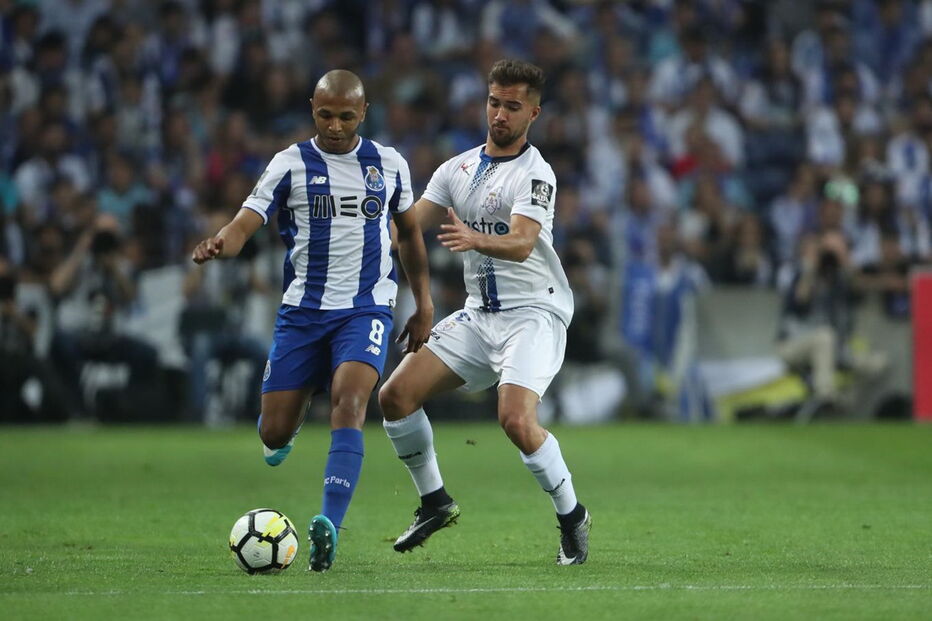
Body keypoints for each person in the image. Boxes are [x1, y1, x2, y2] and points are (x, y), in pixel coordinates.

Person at [191, 70, 433, 572]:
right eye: (326, 114)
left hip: (367, 307)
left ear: (363, 112)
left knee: (350, 403)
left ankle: (329, 525)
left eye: (347, 115)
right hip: (302, 312)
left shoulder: (389, 165)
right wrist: (221, 243)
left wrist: (424, 303)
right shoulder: (290, 164)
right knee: (273, 434)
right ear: (312, 109)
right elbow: (246, 221)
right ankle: (292, 419)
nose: (336, 125)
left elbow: (409, 235)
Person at [378, 59, 591, 566]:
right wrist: (370, 245)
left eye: (512, 106)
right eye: (494, 102)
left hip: (532, 314)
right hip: (479, 316)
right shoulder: (456, 169)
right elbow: (408, 230)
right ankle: (434, 501)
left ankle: (572, 518)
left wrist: (474, 238)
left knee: (515, 419)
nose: (499, 114)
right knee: (394, 397)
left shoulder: (536, 174)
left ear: (533, 113)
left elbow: (521, 242)